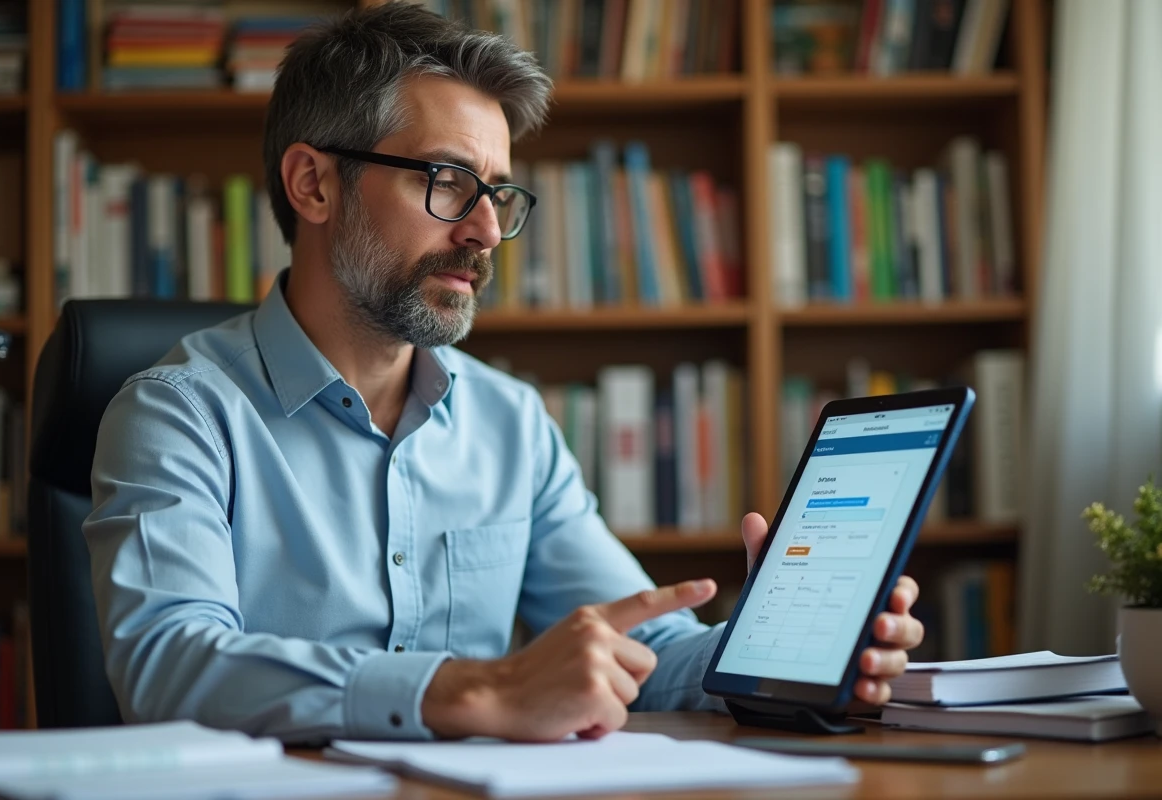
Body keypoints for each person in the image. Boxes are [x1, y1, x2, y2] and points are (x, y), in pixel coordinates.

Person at [84, 2, 924, 744]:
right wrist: (481, 688)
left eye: (499, 193)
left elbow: (645, 652)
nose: (487, 229)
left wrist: (785, 650)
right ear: (313, 184)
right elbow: (168, 665)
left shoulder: (511, 422)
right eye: (450, 182)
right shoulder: (177, 412)